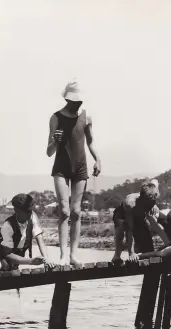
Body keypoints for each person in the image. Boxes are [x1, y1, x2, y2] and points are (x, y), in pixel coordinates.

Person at [47, 79, 102, 267]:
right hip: (61, 167)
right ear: (67, 99)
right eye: (74, 100)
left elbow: (90, 142)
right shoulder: (56, 117)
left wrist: (98, 159)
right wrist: (55, 141)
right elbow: (48, 152)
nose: (78, 103)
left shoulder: (86, 117)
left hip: (80, 167)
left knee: (76, 211)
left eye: (80, 100)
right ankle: (63, 255)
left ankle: (74, 255)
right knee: (64, 210)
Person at [111, 179, 168, 263]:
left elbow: (156, 226)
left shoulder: (150, 202)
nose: (151, 205)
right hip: (122, 215)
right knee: (121, 228)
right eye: (149, 204)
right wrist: (131, 253)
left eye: (153, 203)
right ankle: (116, 255)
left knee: (147, 245)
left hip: (139, 214)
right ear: (142, 199)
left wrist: (168, 244)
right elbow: (129, 230)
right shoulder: (130, 204)